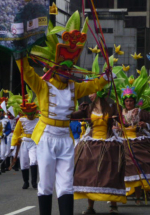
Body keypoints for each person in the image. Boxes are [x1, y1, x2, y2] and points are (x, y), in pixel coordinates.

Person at [15, 28, 111, 214]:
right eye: (64, 68)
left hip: (65, 139)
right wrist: (20, 54)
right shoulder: (43, 86)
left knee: (67, 183)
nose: (67, 72)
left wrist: (105, 78)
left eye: (69, 68)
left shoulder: (74, 88)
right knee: (46, 183)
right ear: (55, 68)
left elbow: (92, 84)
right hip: (46, 137)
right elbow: (26, 72)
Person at [71, 92, 126, 214]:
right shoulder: (87, 107)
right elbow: (73, 115)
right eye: (89, 93)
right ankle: (90, 207)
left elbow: (122, 121)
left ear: (100, 92)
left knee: (110, 172)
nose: (90, 95)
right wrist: (64, 110)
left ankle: (113, 206)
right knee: (89, 172)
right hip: (91, 143)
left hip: (109, 143)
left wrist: (124, 118)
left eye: (93, 92)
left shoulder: (112, 107)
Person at [115, 86, 150, 205]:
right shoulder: (119, 113)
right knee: (118, 169)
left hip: (137, 142)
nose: (129, 103)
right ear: (124, 102)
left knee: (137, 168)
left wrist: (145, 125)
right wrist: (116, 128)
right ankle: (117, 197)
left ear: (134, 101)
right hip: (122, 141)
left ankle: (138, 197)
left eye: (131, 100)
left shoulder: (141, 112)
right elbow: (115, 127)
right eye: (126, 101)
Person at [11, 100, 39, 189]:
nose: (30, 116)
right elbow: (16, 133)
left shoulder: (39, 120)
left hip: (34, 142)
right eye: (29, 114)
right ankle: (25, 182)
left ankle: (34, 182)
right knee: (24, 163)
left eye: (32, 114)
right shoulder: (21, 120)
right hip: (24, 142)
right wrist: (13, 144)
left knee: (34, 160)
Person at [0, 100, 12, 173]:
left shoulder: (6, 120)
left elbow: (9, 129)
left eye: (0, 112)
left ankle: (3, 167)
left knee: (3, 152)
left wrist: (4, 134)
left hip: (3, 139)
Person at [5, 106, 19, 171]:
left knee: (15, 150)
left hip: (15, 135)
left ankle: (16, 165)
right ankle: (7, 165)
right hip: (8, 135)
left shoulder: (17, 118)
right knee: (8, 149)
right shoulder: (6, 119)